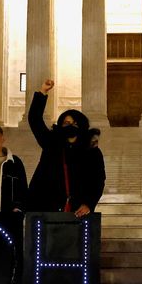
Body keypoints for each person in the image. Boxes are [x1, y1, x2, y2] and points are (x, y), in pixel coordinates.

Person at [26, 79, 105, 217]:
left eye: (75, 123)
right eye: (67, 123)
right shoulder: (51, 143)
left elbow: (98, 180)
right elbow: (35, 120)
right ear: (60, 125)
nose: (70, 126)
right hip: (45, 207)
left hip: (76, 210)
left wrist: (89, 203)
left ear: (82, 127)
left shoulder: (92, 152)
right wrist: (43, 92)